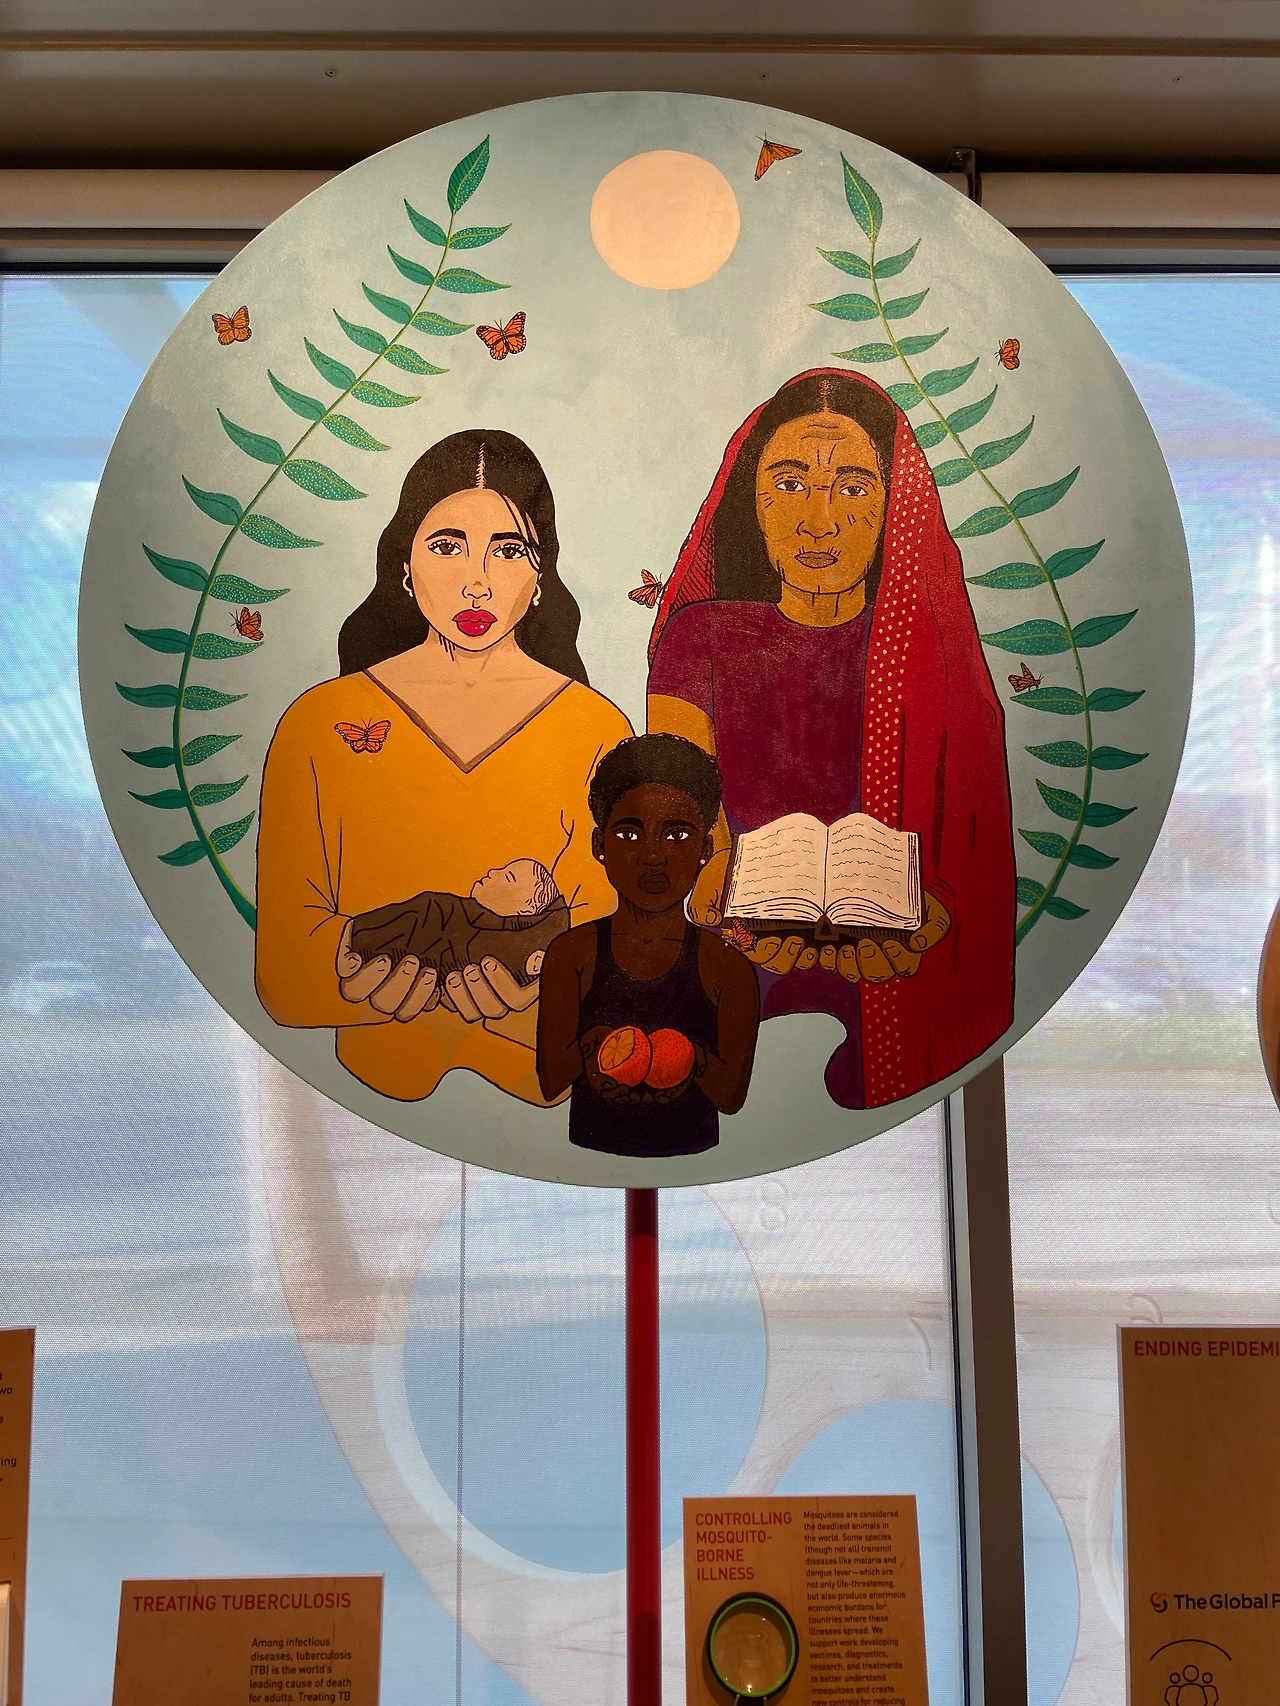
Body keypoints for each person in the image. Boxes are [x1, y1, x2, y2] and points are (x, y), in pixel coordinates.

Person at [646, 368, 1015, 1110]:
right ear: (751, 500)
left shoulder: (923, 655)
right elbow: (683, 810)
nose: (819, 521)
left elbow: (962, 851)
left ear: (892, 507)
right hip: (734, 952)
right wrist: (715, 877)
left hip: (885, 957)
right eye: (788, 484)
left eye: (851, 488)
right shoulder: (698, 639)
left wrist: (928, 913)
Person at [255, 429, 632, 1105]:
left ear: (540, 576)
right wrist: (364, 978)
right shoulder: (318, 723)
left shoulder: (597, 730)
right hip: (363, 1092)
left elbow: (611, 954)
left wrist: (536, 989)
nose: (476, 582)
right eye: (447, 545)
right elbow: (283, 972)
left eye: (508, 550)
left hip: (543, 1091)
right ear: (405, 564)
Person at [536, 734, 760, 1157]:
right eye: (629, 834)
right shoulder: (572, 954)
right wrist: (597, 1045)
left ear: (705, 848)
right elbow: (550, 1080)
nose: (653, 856)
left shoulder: (727, 968)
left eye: (676, 835)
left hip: (699, 1166)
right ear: (599, 846)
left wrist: (686, 1056)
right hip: (586, 1164)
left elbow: (731, 1097)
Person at [346, 858, 569, 983]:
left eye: (508, 877)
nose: (493, 871)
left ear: (525, 910)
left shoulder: (508, 943)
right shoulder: (452, 910)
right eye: (502, 869)